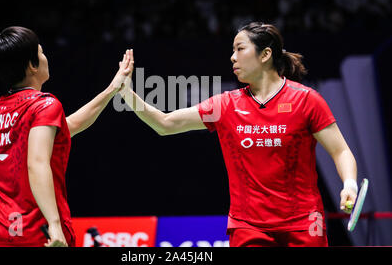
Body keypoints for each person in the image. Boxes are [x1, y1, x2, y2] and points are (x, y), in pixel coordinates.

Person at [118, 22, 358, 247]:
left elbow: (340, 151)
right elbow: (165, 123)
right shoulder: (225, 106)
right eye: (233, 50)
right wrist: (128, 93)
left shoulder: (306, 100)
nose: (232, 57)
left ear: (265, 55)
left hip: (303, 222)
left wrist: (349, 183)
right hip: (248, 226)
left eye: (240, 49)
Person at [0, 26, 133, 247]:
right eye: (41, 53)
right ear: (32, 65)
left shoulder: (2, 106)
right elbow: (37, 162)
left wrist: (112, 88)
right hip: (37, 231)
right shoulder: (46, 105)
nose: (45, 57)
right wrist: (54, 224)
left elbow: (67, 127)